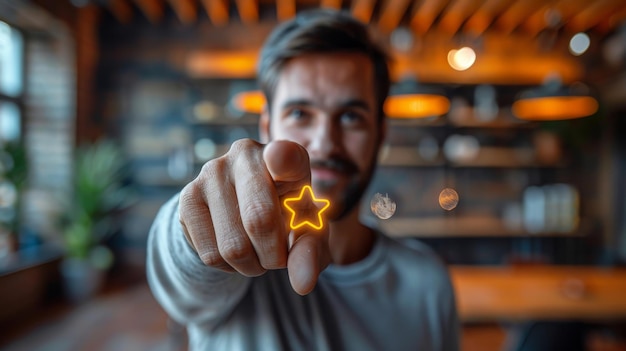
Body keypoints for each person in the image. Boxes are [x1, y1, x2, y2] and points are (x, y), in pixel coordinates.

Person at [147, 8, 460, 351]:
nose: (325, 142)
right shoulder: (238, 265)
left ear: (380, 133)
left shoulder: (428, 283)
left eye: (351, 116)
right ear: (266, 126)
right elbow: (183, 269)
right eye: (299, 113)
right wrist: (191, 231)